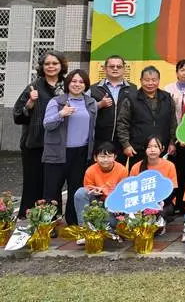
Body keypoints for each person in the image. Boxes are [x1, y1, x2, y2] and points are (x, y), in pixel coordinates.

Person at [13, 50, 66, 219]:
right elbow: (17, 116)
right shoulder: (33, 86)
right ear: (42, 67)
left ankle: (52, 217)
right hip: (35, 143)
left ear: (61, 66)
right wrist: (30, 103)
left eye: (55, 63)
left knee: (53, 183)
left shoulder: (68, 86)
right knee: (33, 182)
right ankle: (29, 217)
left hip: (58, 144)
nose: (51, 67)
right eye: (47, 64)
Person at [42, 69, 98, 225]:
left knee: (76, 189)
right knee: (52, 189)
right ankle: (51, 224)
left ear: (86, 85)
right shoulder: (57, 101)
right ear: (68, 83)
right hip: (57, 152)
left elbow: (93, 127)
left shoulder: (91, 103)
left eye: (81, 82)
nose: (77, 84)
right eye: (74, 81)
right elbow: (47, 124)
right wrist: (61, 114)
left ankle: (73, 223)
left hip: (81, 153)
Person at [116, 66, 176, 169]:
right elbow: (122, 123)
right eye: (147, 80)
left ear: (159, 80)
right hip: (138, 150)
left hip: (162, 149)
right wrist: (126, 145)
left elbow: (173, 122)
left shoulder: (167, 98)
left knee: (161, 177)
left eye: (154, 80)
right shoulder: (131, 99)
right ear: (141, 80)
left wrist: (172, 142)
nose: (150, 83)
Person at [89, 55, 136, 160]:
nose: (115, 69)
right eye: (112, 66)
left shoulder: (133, 89)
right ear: (105, 69)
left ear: (124, 69)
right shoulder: (93, 89)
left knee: (119, 168)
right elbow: (85, 111)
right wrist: (99, 105)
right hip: (99, 139)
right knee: (99, 167)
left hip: (123, 141)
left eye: (119, 66)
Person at [164, 59, 185, 213]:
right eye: (182, 69)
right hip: (173, 136)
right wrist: (172, 140)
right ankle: (172, 204)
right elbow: (167, 115)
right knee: (174, 170)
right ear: (176, 73)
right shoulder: (168, 89)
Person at [73, 142, 127, 225]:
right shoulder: (90, 170)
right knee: (80, 192)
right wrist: (93, 192)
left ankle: (106, 226)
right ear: (95, 158)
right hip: (97, 203)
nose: (105, 160)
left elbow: (124, 194)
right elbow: (87, 189)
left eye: (109, 156)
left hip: (113, 206)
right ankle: (84, 227)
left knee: (116, 222)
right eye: (102, 156)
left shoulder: (122, 170)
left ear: (115, 157)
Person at [129, 137, 179, 217]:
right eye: (149, 147)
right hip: (142, 203)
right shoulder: (136, 167)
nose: (152, 150)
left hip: (165, 202)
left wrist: (158, 204)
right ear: (145, 149)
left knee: (159, 213)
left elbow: (172, 190)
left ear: (162, 148)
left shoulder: (170, 165)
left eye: (156, 146)